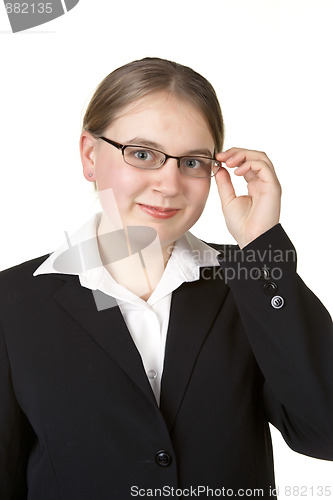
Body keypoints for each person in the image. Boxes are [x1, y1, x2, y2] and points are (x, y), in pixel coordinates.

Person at [0, 57, 332, 500]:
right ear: (89, 155)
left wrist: (261, 249)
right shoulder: (13, 301)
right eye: (141, 154)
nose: (169, 184)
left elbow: (324, 432)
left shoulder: (248, 280)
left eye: (193, 162)